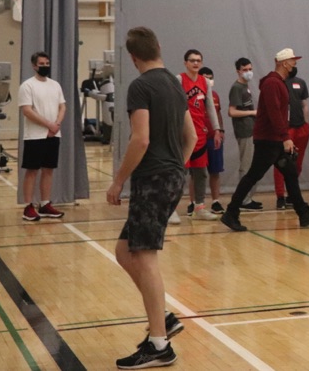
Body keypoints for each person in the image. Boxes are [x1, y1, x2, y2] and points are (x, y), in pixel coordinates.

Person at [107, 26, 194, 369]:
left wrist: (117, 182)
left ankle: (159, 343)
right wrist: (178, 167)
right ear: (158, 47)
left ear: (132, 57)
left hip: (152, 178)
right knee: (123, 251)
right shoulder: (175, 82)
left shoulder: (141, 86)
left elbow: (139, 140)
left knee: (145, 258)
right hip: (171, 176)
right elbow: (193, 134)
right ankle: (165, 318)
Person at [220, 50, 309, 232]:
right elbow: (274, 112)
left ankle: (303, 213)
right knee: (253, 175)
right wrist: (285, 137)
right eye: (293, 61)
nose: (295, 64)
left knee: (290, 173)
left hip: (274, 139)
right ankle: (231, 212)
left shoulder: (277, 82)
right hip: (268, 140)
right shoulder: (272, 83)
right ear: (284, 63)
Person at [18, 51, 67, 221]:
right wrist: (48, 124)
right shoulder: (27, 86)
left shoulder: (55, 85)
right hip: (35, 136)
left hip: (53, 134)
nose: (45, 66)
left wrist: (56, 125)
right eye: (41, 64)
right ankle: (28, 206)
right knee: (32, 171)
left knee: (48, 170)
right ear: (34, 66)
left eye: (47, 63)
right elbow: (27, 110)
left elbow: (62, 107)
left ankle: (45, 204)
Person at [180, 49, 220, 220]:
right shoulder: (179, 80)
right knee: (179, 173)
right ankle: (169, 210)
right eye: (192, 60)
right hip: (183, 135)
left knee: (201, 172)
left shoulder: (205, 82)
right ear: (186, 63)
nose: (195, 63)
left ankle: (200, 207)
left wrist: (216, 129)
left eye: (198, 60)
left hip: (201, 134)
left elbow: (210, 107)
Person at [274, 62, 309, 210]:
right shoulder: (279, 83)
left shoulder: (301, 83)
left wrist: (307, 124)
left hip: (301, 127)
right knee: (282, 163)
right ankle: (280, 196)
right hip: (286, 129)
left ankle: (292, 195)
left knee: (297, 163)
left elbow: (304, 104)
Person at [227, 58, 262, 211]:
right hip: (244, 130)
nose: (248, 72)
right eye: (245, 69)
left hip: (251, 128)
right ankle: (243, 199)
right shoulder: (236, 87)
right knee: (246, 166)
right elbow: (232, 111)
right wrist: (253, 112)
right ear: (238, 71)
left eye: (250, 69)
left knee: (252, 165)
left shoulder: (245, 86)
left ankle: (248, 197)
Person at [197, 67, 226, 214]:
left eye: (211, 77)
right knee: (197, 172)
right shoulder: (194, 96)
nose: (209, 80)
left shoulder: (214, 95)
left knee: (215, 171)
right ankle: (194, 203)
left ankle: (215, 202)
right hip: (199, 139)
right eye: (205, 77)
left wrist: (220, 130)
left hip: (213, 139)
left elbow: (218, 113)